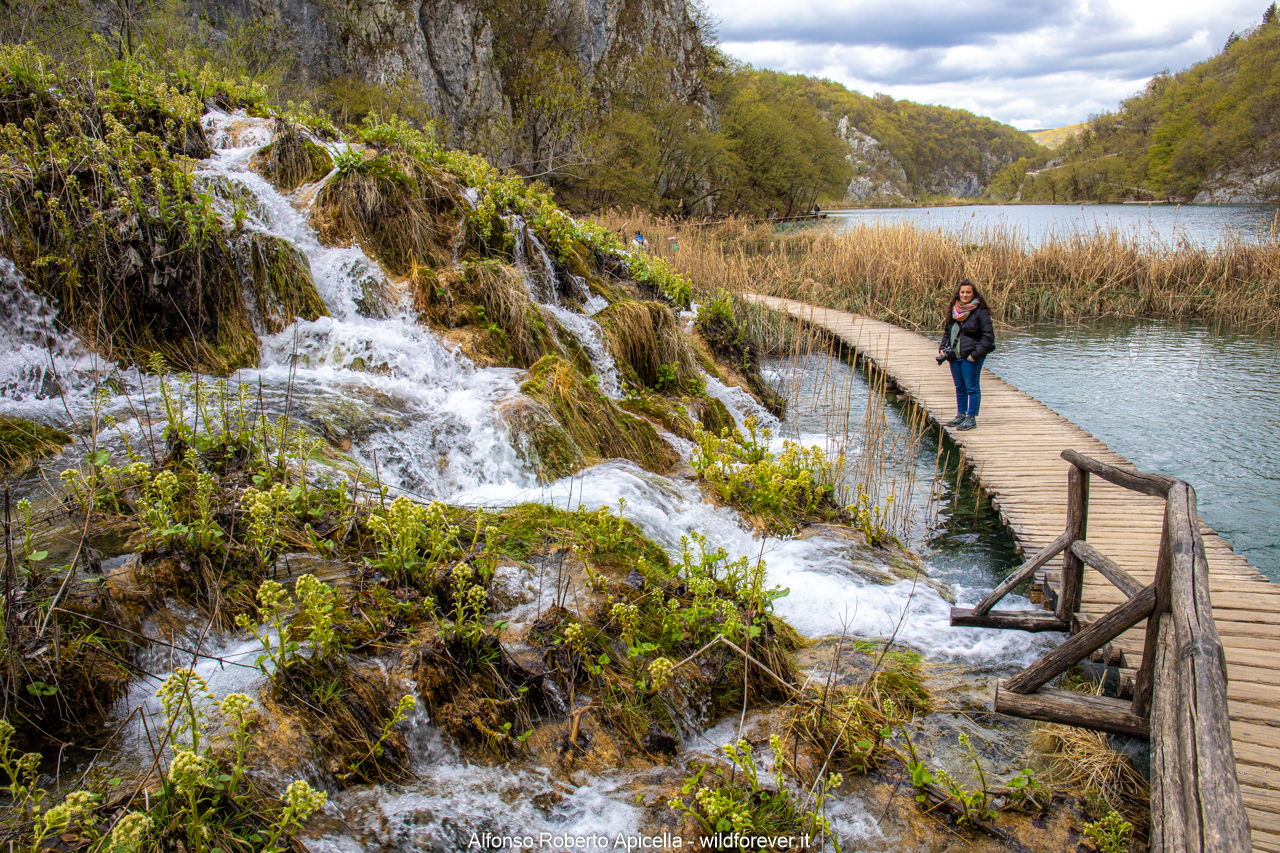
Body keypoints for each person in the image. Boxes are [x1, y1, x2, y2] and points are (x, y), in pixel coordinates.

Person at [937, 279, 995, 431]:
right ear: (959, 293)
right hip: (954, 356)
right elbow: (947, 333)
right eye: (962, 292)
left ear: (973, 294)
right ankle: (961, 415)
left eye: (968, 292)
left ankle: (971, 418)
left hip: (971, 356)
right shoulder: (954, 310)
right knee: (960, 387)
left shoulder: (980, 312)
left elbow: (988, 336)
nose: (965, 295)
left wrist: (975, 355)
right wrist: (943, 348)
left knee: (972, 387)